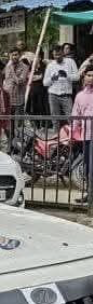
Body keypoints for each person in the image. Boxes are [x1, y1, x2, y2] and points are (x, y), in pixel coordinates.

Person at [44, 44, 80, 124]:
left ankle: (72, 135)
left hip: (66, 95)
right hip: (53, 94)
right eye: (55, 55)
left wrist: (67, 76)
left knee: (70, 117)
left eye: (59, 54)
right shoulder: (50, 65)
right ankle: (57, 134)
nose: (57, 57)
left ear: (63, 53)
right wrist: (52, 79)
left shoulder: (70, 62)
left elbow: (77, 77)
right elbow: (45, 83)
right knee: (55, 119)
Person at [72, 70, 93, 204]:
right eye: (89, 75)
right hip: (86, 135)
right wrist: (72, 133)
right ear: (84, 77)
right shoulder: (79, 95)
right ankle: (89, 194)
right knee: (87, 166)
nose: (91, 78)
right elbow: (76, 115)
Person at [3, 48, 29, 116]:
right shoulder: (7, 66)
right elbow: (6, 80)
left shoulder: (24, 67)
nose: (14, 57)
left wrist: (12, 71)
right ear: (10, 56)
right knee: (9, 121)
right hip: (8, 98)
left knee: (18, 122)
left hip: (18, 99)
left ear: (19, 55)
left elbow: (20, 81)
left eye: (16, 55)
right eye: (12, 55)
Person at [26, 49, 50, 119]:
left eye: (37, 57)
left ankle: (43, 124)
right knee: (34, 108)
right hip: (33, 92)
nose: (35, 59)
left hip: (42, 91)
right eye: (35, 57)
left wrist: (37, 77)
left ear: (40, 58)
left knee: (42, 108)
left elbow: (44, 77)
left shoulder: (44, 66)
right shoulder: (31, 66)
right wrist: (38, 77)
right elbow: (29, 77)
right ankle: (36, 124)